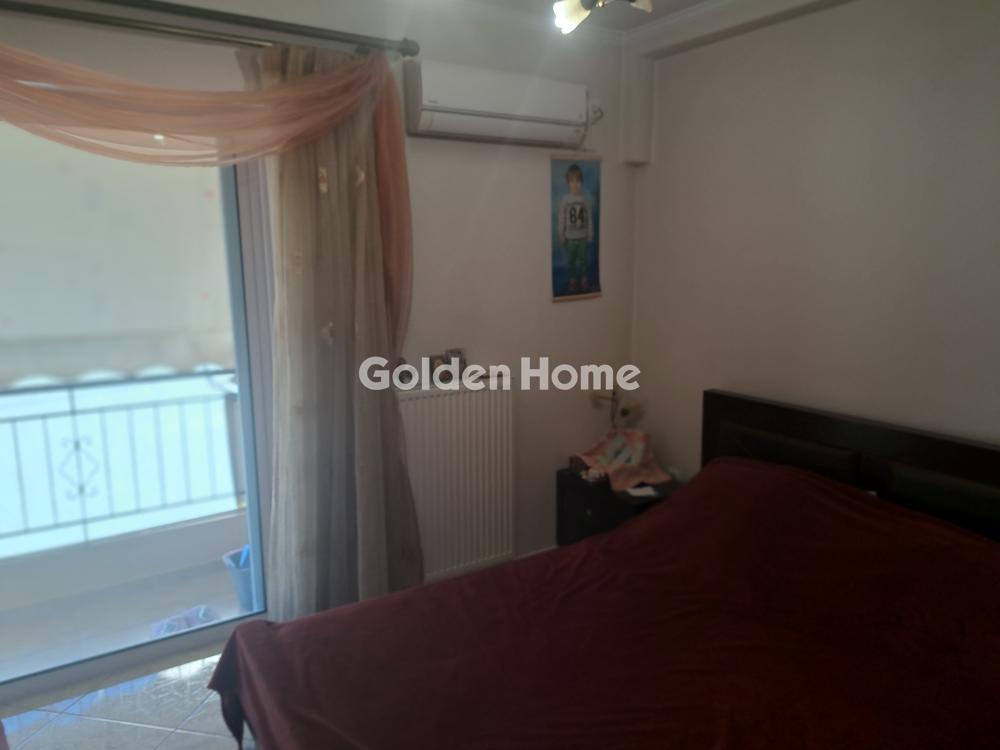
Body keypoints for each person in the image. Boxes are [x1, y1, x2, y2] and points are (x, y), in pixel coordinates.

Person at [557, 164, 594, 293]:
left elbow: (589, 218)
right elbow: (561, 218)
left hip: (582, 236)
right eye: (572, 181)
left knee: (583, 260)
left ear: (581, 182)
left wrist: (590, 234)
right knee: (571, 261)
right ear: (568, 183)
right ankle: (573, 280)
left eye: (578, 181)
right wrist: (561, 235)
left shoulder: (584, 199)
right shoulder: (565, 199)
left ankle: (584, 279)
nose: (575, 184)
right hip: (570, 238)